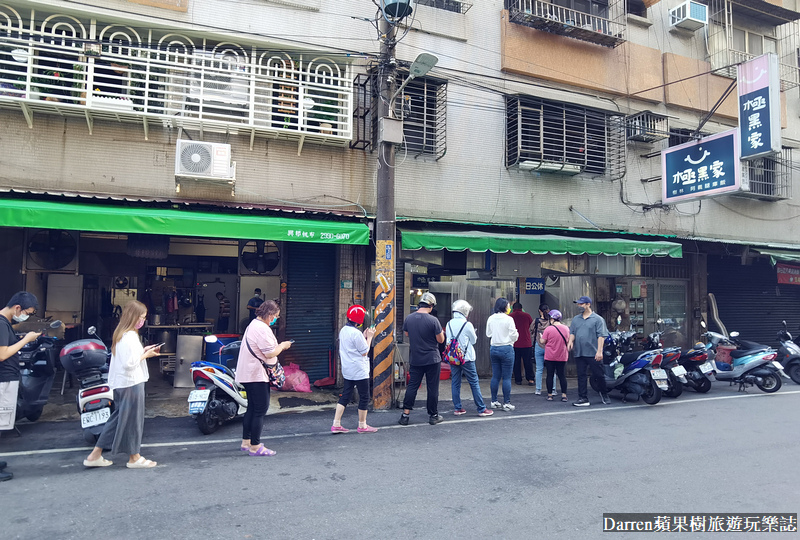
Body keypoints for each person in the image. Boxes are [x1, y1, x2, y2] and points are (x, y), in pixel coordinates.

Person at [84, 300, 162, 469]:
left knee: (118, 419)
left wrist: (143, 351)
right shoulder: (129, 337)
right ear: (133, 317)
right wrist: (146, 355)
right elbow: (129, 363)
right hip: (131, 383)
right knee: (133, 420)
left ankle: (95, 455)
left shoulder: (122, 334)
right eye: (141, 317)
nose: (143, 320)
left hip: (123, 383)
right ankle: (134, 458)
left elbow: (128, 358)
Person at [236, 300, 292, 456]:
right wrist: (283, 346)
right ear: (269, 314)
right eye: (275, 316)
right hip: (256, 374)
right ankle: (255, 446)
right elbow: (269, 353)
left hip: (248, 373)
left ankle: (246, 442)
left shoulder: (253, 325)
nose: (275, 319)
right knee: (260, 409)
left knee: (252, 408)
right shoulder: (261, 328)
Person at [0, 292, 41, 482]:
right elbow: (2, 354)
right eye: (27, 313)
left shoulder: (5, 323)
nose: (26, 316)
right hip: (3, 380)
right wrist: (26, 340)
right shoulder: (1, 324)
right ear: (18, 308)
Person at [399, 292, 445, 426]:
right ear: (430, 306)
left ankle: (405, 415)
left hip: (416, 358)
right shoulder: (433, 320)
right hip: (432, 359)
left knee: (412, 386)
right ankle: (433, 415)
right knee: (432, 388)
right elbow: (440, 340)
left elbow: (407, 333)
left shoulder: (409, 318)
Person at [331, 305, 377, 433]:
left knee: (345, 396)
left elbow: (353, 344)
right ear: (360, 319)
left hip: (348, 369)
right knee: (364, 397)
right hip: (359, 370)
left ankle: (336, 424)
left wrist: (363, 336)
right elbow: (364, 351)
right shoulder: (356, 334)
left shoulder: (344, 330)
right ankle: (362, 425)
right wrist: (370, 337)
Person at [447, 300, 493, 417]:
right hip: (467, 358)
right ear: (465, 312)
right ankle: (481, 409)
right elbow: (473, 340)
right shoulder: (467, 324)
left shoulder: (449, 324)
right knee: (473, 382)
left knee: (455, 382)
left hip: (453, 357)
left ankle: (458, 408)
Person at [568, 296, 609, 407]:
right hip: (579, 352)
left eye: (581, 304)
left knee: (599, 375)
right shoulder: (576, 319)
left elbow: (601, 336)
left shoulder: (598, 319)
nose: (579, 306)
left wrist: (599, 351)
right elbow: (572, 332)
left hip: (593, 352)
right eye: (578, 304)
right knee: (581, 376)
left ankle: (604, 393)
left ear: (588, 304)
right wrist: (570, 341)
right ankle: (583, 398)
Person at [486, 298, 518, 411]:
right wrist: (513, 338)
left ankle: (494, 401)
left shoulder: (491, 318)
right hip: (506, 348)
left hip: (494, 348)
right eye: (508, 306)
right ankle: (506, 403)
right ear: (504, 307)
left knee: (495, 376)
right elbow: (514, 335)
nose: (509, 308)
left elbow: (488, 333)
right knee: (507, 378)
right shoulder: (509, 319)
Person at [539, 310, 570, 402]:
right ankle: (564, 395)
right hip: (562, 355)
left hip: (550, 356)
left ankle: (550, 395)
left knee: (550, 375)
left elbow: (542, 341)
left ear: (552, 318)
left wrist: (541, 336)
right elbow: (568, 340)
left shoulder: (548, 329)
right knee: (562, 375)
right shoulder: (566, 328)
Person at [510, 302, 534, 386]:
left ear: (513, 308)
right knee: (528, 361)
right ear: (521, 307)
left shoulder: (510, 316)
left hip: (514, 343)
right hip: (526, 342)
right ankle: (530, 379)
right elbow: (531, 326)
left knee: (516, 362)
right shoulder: (527, 315)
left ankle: (518, 379)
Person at [532, 303, 554, 395]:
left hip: (539, 345)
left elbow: (531, 330)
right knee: (552, 369)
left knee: (539, 369)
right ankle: (553, 389)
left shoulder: (536, 321)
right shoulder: (551, 322)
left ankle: (538, 389)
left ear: (539, 311)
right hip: (549, 346)